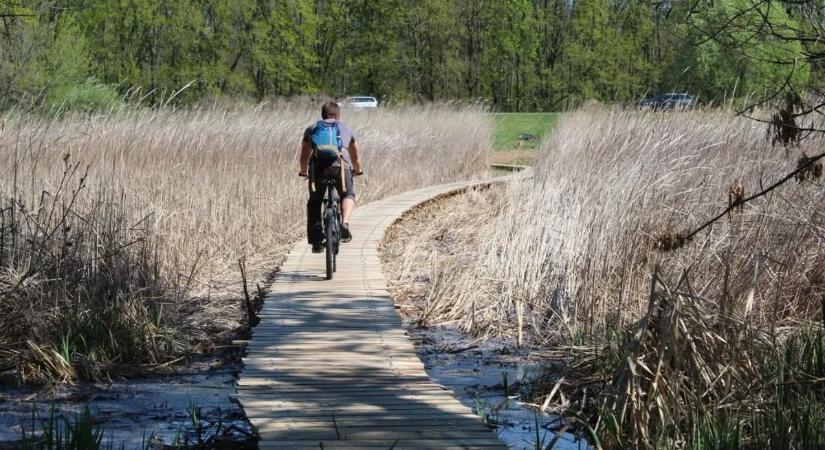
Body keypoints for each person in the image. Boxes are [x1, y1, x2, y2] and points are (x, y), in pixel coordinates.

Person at [299, 101, 362, 253]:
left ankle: (316, 242)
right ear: (338, 115)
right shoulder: (345, 128)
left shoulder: (312, 129)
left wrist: (303, 171)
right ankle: (345, 223)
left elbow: (304, 157)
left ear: (322, 114)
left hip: (318, 169)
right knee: (348, 194)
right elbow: (355, 157)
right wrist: (357, 170)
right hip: (341, 168)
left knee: (314, 202)